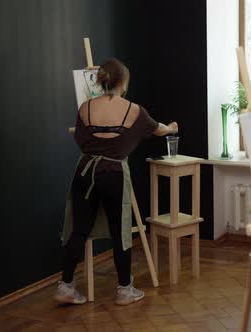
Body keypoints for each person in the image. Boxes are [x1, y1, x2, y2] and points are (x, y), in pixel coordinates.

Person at [57, 58, 178, 306]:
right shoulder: (134, 110)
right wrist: (172, 127)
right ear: (123, 82)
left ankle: (66, 286)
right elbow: (159, 129)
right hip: (112, 174)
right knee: (119, 231)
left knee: (78, 230)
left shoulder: (85, 108)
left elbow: (80, 140)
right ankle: (124, 290)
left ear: (101, 81)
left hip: (85, 172)